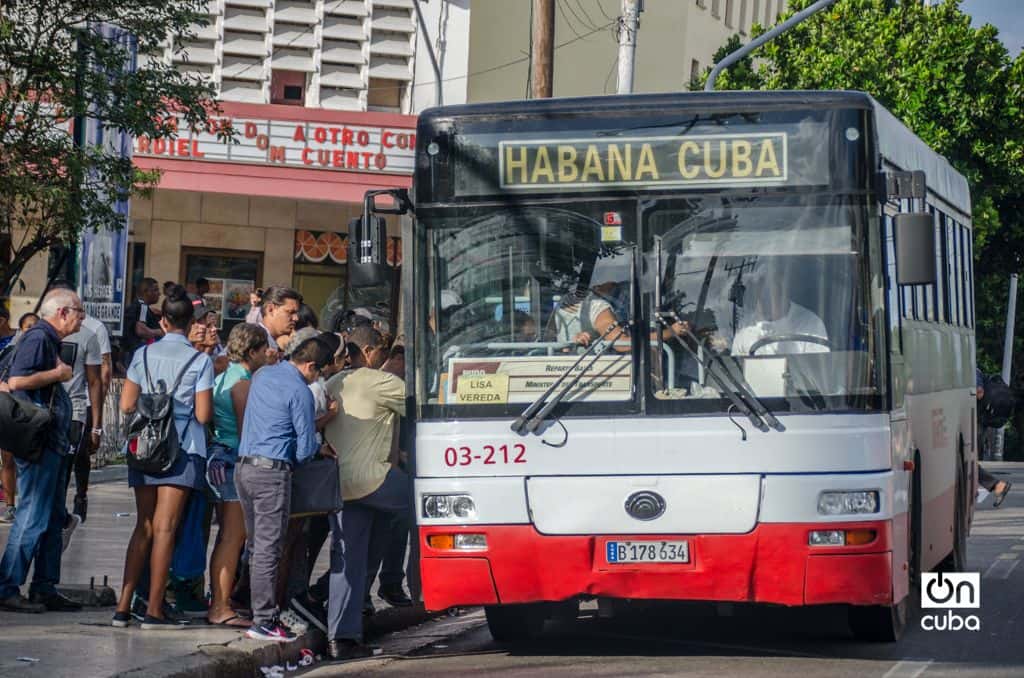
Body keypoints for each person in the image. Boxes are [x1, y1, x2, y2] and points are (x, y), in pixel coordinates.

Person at [112, 285, 214, 629]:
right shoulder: (201, 361)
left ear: (164, 319)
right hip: (183, 450)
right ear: (190, 322)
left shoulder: (141, 355)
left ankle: (123, 607)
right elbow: (202, 415)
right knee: (166, 528)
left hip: (144, 448)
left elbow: (126, 405)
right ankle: (155, 609)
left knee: (142, 526)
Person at [319, 325, 408, 659]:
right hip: (376, 480)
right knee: (428, 503)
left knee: (348, 559)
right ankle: (400, 582)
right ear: (370, 352)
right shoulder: (383, 382)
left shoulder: (332, 383)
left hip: (339, 485)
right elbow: (427, 404)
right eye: (381, 355)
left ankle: (342, 638)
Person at [235, 336, 331, 642]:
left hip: (244, 468)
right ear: (311, 366)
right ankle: (263, 620)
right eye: (319, 372)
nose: (317, 379)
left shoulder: (264, 374)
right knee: (268, 549)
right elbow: (303, 450)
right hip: (271, 475)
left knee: (255, 547)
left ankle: (254, 610)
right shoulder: (299, 391)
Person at [0, 288, 81, 613]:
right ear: (62, 312)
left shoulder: (48, 338)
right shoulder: (38, 338)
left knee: (51, 517)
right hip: (39, 443)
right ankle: (7, 586)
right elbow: (16, 382)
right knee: (32, 515)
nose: (82, 318)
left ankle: (44, 587)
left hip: (52, 441)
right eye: (79, 311)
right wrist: (58, 373)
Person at [206, 323, 269, 627]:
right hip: (234, 458)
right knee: (233, 538)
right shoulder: (242, 383)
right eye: (263, 349)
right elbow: (248, 432)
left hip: (220, 454)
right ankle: (220, 606)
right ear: (253, 351)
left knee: (226, 538)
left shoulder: (223, 377)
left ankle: (219, 601)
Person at [730, 276, 828, 356]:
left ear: (782, 291)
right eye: (759, 294)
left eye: (768, 293)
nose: (764, 301)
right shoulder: (746, 325)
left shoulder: (810, 324)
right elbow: (737, 367)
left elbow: (815, 371)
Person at [977, 369, 1012, 507]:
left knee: (967, 462)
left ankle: (997, 485)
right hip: (979, 421)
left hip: (977, 421)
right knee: (968, 462)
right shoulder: (976, 370)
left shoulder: (973, 372)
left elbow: (979, 392)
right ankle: (996, 485)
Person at [123, 278, 164, 367]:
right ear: (146, 292)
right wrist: (159, 332)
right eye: (156, 290)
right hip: (138, 354)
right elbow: (140, 330)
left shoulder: (137, 306)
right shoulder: (143, 307)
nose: (159, 294)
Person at [258, 286, 302, 364]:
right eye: (290, 312)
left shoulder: (272, 344)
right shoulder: (253, 342)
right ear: (270, 309)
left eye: (296, 313)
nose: (296, 318)